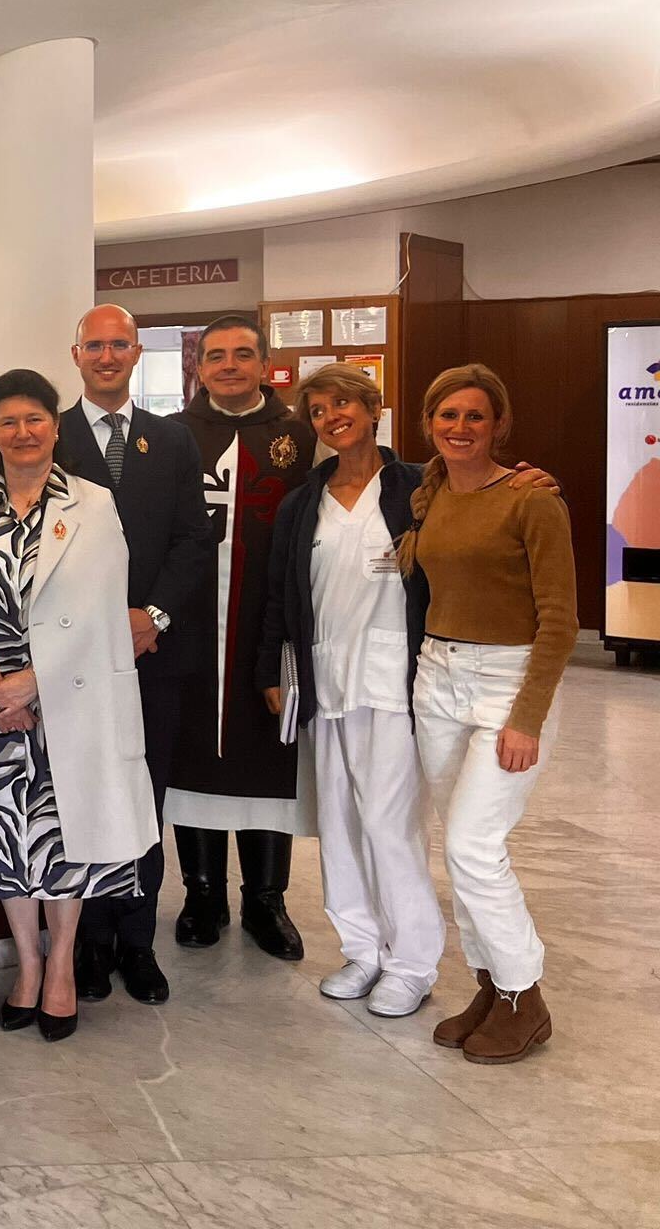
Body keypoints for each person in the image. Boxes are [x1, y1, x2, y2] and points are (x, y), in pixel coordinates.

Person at [0, 369, 159, 1043]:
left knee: (66, 843)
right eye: (8, 421)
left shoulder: (93, 505)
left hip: (70, 699)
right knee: (5, 842)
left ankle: (62, 965)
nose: (23, 432)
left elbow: (100, 615)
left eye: (35, 418)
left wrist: (36, 682)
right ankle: (26, 967)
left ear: (56, 427)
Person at [400, 364, 577, 1064]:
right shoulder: (431, 491)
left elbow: (561, 619)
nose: (461, 428)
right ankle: (490, 984)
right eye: (448, 416)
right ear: (429, 423)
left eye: (476, 417)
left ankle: (524, 996)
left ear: (499, 424)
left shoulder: (532, 499)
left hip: (507, 681)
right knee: (457, 844)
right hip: (436, 678)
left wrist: (528, 717)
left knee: (476, 845)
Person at [259, 363, 446, 1018]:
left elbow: (483, 521)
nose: (332, 417)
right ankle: (362, 948)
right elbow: (280, 597)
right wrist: (271, 675)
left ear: (373, 408)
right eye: (317, 411)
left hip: (393, 682)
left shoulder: (420, 487)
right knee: (337, 822)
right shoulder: (303, 502)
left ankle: (412, 962)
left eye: (343, 404)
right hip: (326, 683)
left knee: (389, 825)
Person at [56, 304, 213, 1006]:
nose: (109, 355)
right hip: (71, 660)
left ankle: (137, 942)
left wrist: (152, 615)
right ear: (76, 354)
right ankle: (87, 944)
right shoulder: (47, 436)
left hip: (153, 652)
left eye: (121, 345)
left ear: (138, 354)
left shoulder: (172, 441)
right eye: (97, 345)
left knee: (145, 795)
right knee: (80, 793)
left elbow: (193, 540)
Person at [166, 314, 317, 961]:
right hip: (191, 626)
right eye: (216, 355)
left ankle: (265, 900)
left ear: (264, 365)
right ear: (199, 366)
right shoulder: (170, 437)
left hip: (266, 624)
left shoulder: (300, 436)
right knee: (192, 754)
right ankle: (202, 894)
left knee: (265, 757)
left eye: (242, 355)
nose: (228, 365)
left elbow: (373, 477)